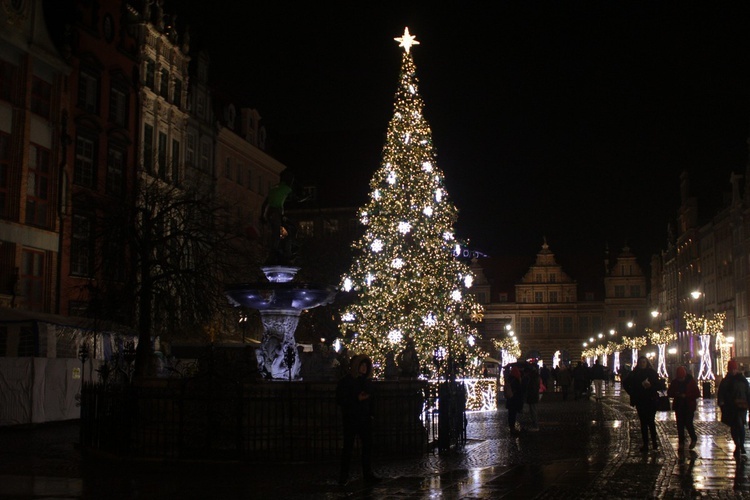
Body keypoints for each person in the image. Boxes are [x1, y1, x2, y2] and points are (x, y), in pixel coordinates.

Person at [336, 354, 380, 485]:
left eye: (366, 366)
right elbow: (341, 399)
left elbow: (372, 399)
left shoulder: (367, 382)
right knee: (348, 448)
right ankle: (344, 476)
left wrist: (371, 413)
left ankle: (367, 474)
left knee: (367, 447)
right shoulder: (346, 381)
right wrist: (356, 399)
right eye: (362, 365)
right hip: (351, 418)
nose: (365, 368)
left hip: (364, 418)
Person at [261, 170, 308, 264]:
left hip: (270, 212)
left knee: (284, 231)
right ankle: (281, 253)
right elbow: (297, 199)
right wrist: (306, 197)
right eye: (291, 180)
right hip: (276, 212)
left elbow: (265, 203)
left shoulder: (274, 188)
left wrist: (262, 215)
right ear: (287, 179)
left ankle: (284, 252)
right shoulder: (286, 188)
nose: (291, 182)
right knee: (280, 233)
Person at [623, 355, 662, 452]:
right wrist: (632, 392)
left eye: (644, 362)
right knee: (643, 423)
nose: (642, 364)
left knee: (651, 422)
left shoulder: (652, 373)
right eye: (641, 362)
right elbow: (626, 383)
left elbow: (659, 385)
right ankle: (645, 444)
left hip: (651, 399)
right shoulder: (634, 374)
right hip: (640, 400)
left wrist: (651, 386)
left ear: (647, 363)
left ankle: (654, 443)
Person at [718, 359, 750, 461]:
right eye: (731, 369)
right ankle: (738, 444)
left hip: (741, 406)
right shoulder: (726, 380)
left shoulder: (742, 379)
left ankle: (741, 444)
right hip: (731, 407)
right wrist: (722, 402)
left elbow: (747, 392)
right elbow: (721, 393)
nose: (733, 371)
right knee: (734, 426)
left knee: (740, 424)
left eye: (734, 369)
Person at [667, 365, 700, 450]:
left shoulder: (690, 382)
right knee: (680, 425)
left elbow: (697, 394)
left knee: (688, 423)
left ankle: (693, 438)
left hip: (689, 405)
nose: (680, 379)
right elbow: (670, 392)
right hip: (679, 405)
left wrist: (686, 395)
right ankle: (681, 442)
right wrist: (676, 394)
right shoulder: (675, 382)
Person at [505, 365, 524, 434]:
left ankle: (511, 427)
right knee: (513, 414)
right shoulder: (516, 380)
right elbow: (519, 391)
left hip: (510, 399)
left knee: (510, 414)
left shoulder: (509, 379)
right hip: (514, 400)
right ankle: (512, 428)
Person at [523, 364, 541, 431]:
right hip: (533, 396)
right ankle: (534, 425)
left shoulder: (532, 378)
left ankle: (535, 426)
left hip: (532, 396)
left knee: (533, 411)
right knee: (533, 410)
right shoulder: (535, 376)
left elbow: (532, 388)